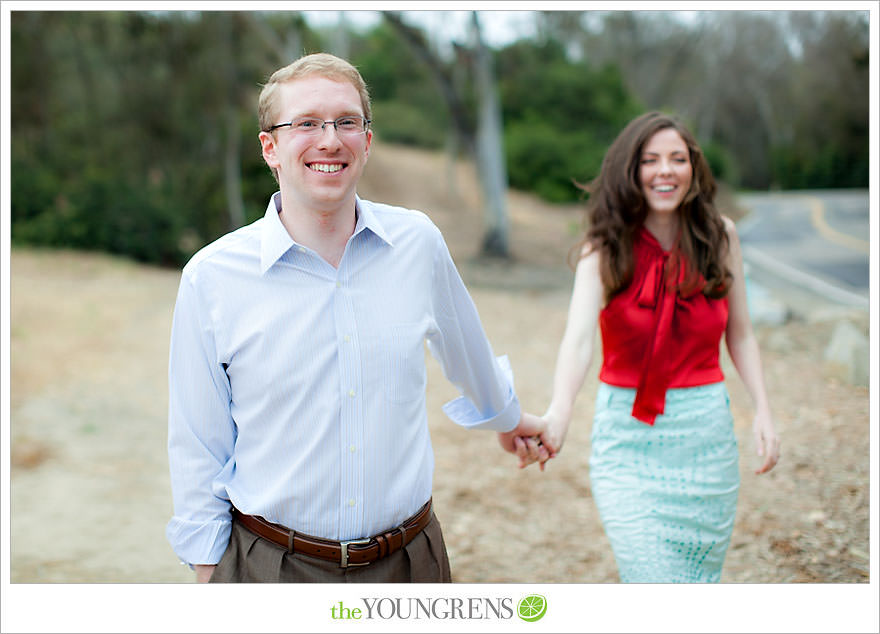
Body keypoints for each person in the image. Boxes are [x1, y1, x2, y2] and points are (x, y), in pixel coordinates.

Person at [166, 52, 546, 583]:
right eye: (306, 123)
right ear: (270, 148)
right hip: (271, 568)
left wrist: (509, 420)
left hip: (411, 564)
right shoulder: (211, 277)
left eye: (347, 121)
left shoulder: (417, 243)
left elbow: (469, 354)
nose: (329, 140)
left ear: (366, 141)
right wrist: (210, 571)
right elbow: (197, 442)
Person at [513, 111, 780, 582]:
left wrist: (763, 410)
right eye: (651, 160)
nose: (665, 171)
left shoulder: (721, 237)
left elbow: (740, 333)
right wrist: (559, 413)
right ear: (631, 170)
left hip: (706, 441)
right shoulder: (604, 249)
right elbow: (578, 342)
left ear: (693, 168)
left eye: (678, 159)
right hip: (626, 444)